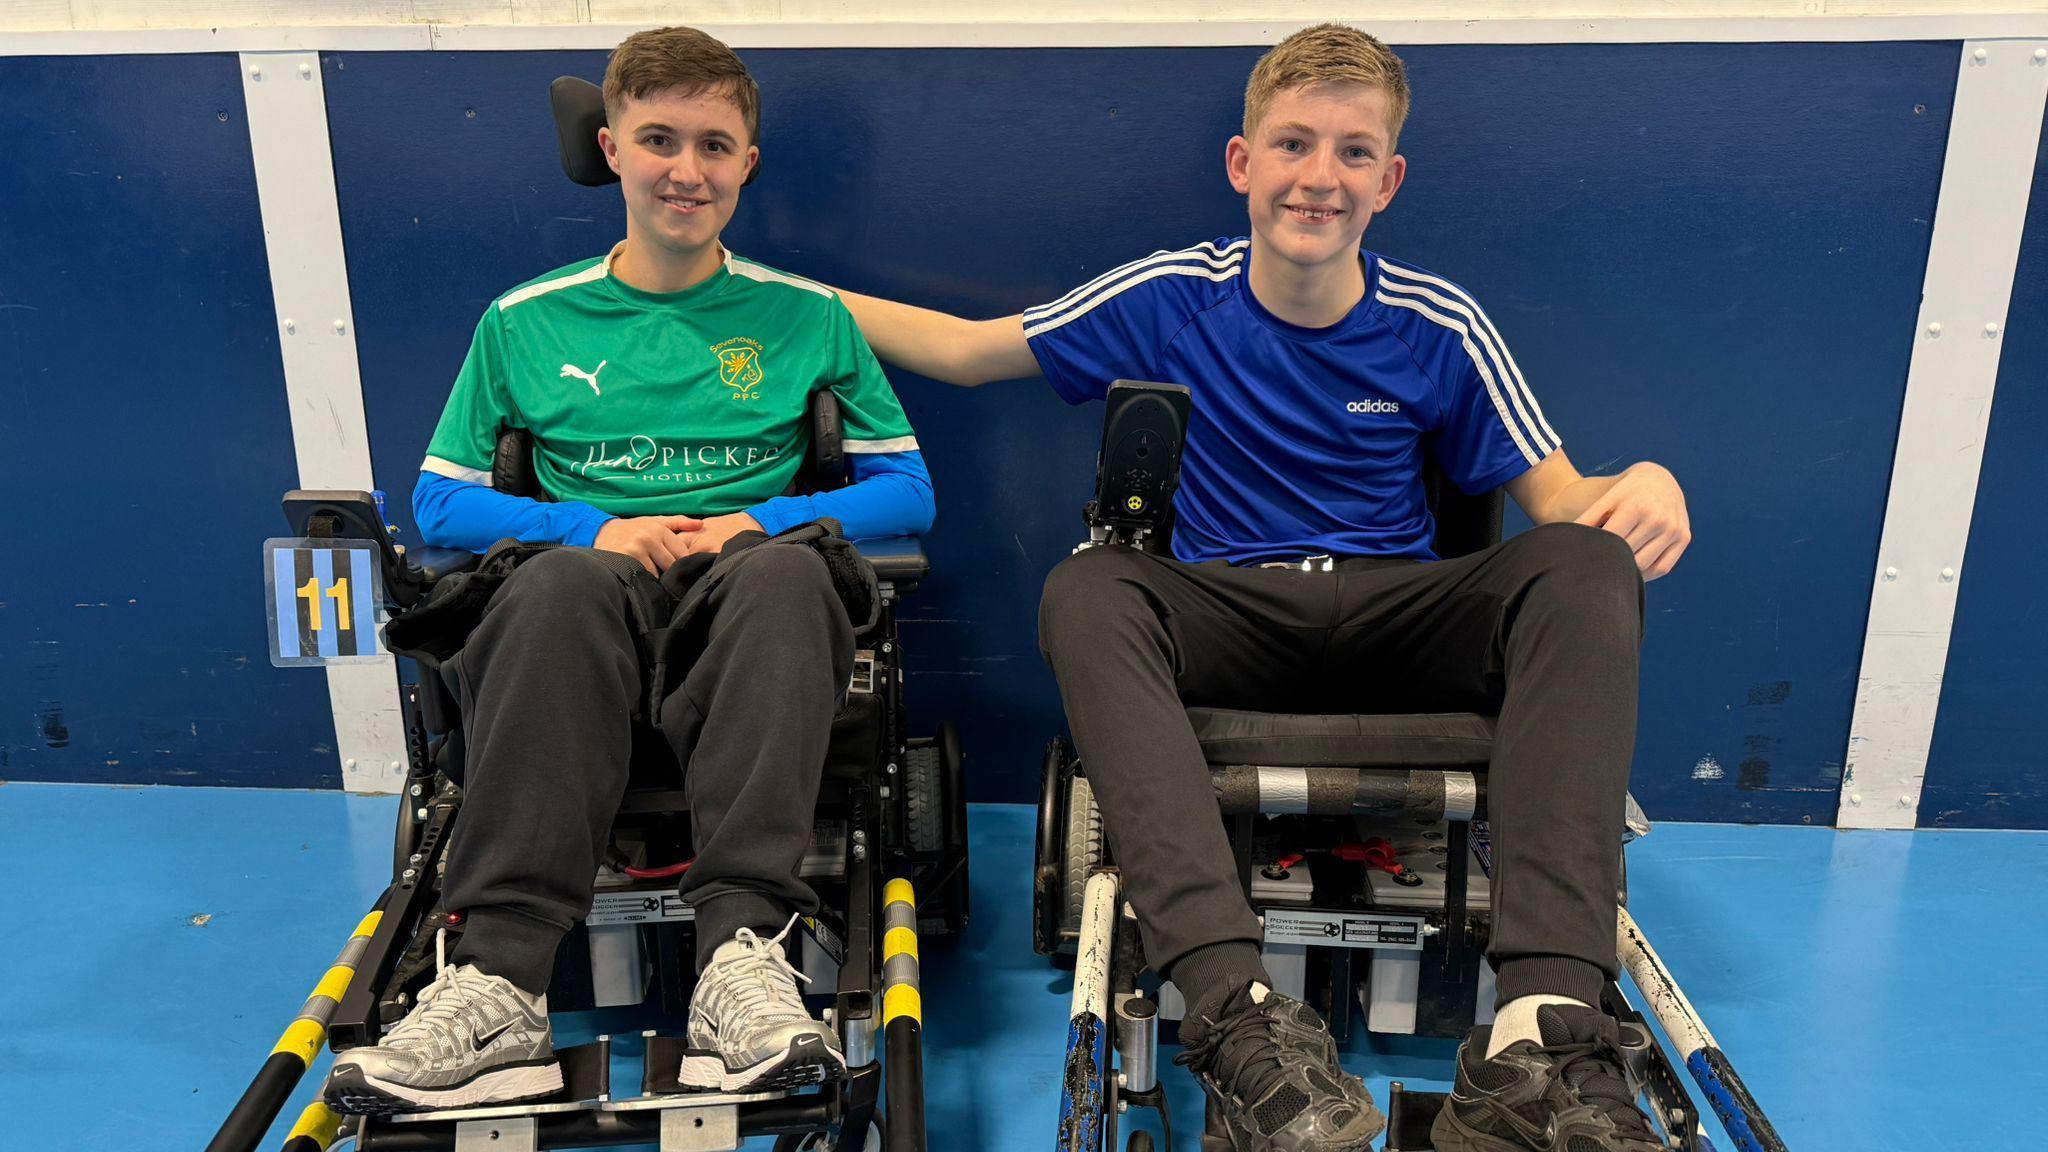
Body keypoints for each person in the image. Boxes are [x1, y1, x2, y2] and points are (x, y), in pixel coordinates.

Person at [836, 24, 1688, 1152]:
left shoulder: (1439, 323)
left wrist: (1652, 481)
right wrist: (749, 289)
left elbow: (1567, 503)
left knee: (1583, 567)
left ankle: (1539, 1029)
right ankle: (1237, 1019)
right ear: (1244, 164)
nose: (1317, 177)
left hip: (1393, 612)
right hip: (1228, 610)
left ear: (1385, 182)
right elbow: (958, 348)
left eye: (1349, 154)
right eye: (1292, 144)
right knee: (1089, 591)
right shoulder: (1172, 294)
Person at [321, 25, 933, 1115]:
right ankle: (500, 985)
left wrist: (756, 518)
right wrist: (590, 528)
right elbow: (442, 500)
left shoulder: (808, 317)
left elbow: (905, 493)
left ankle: (741, 966)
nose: (684, 169)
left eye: (713, 144)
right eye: (658, 139)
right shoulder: (523, 320)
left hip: (740, 603)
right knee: (553, 583)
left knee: (793, 576)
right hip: (587, 604)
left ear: (748, 162)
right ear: (610, 147)